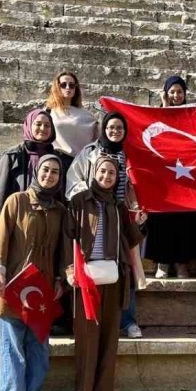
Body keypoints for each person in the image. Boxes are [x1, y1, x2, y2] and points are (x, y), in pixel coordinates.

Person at [0, 154, 68, 391]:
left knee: (39, 342)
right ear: (36, 171)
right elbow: (1, 238)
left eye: (55, 172)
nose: (49, 175)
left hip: (41, 287)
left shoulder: (59, 211)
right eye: (45, 170)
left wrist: (60, 279)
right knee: (13, 341)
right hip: (12, 282)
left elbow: (62, 251)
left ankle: (33, 390)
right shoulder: (16, 201)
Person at [65, 156, 145, 391]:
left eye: (112, 173)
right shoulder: (79, 201)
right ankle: (83, 389)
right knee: (87, 335)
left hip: (112, 276)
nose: (107, 176)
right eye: (103, 171)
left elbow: (131, 239)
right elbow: (68, 238)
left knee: (109, 334)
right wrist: (69, 269)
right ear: (94, 172)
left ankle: (100, 389)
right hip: (86, 277)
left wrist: (140, 222)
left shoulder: (119, 206)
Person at [66, 111, 148, 339]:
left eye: (119, 128)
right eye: (111, 127)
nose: (115, 132)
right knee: (94, 269)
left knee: (126, 271)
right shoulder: (90, 152)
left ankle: (128, 321)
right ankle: (92, 317)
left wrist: (136, 207)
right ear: (104, 129)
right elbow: (74, 179)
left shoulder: (130, 154)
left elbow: (137, 184)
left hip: (123, 218)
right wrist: (89, 200)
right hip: (95, 217)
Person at [142, 75, 196, 279]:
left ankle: (181, 264)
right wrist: (163, 105)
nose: (176, 95)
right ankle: (163, 262)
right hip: (164, 176)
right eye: (172, 91)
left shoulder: (191, 115)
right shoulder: (158, 114)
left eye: (179, 92)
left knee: (184, 220)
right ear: (166, 93)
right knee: (162, 219)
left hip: (186, 175)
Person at [0, 108, 72, 226]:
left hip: (49, 221)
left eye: (47, 125)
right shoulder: (12, 156)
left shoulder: (58, 158)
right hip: (19, 219)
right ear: (29, 125)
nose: (43, 129)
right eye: (38, 124)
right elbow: (0, 192)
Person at [47, 71, 98, 159]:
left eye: (71, 85)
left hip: (79, 161)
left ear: (75, 88)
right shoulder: (48, 111)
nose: (68, 88)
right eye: (63, 85)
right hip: (55, 159)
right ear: (57, 87)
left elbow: (95, 136)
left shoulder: (87, 115)